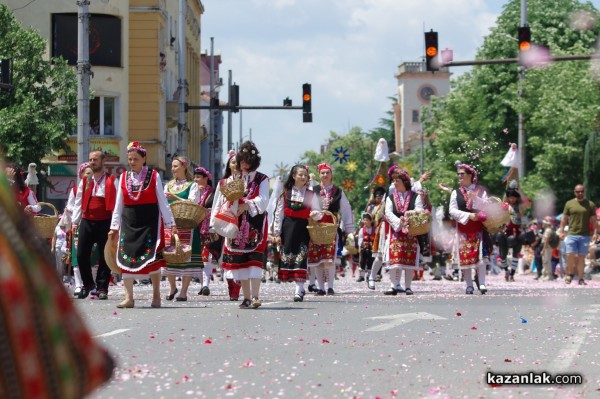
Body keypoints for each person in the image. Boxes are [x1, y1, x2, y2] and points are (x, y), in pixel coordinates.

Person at [109, 141, 177, 308]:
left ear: (144, 158)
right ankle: (129, 298)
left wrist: (170, 223)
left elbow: (163, 201)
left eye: (135, 159)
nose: (132, 162)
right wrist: (114, 227)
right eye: (130, 159)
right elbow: (119, 204)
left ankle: (156, 296)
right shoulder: (124, 177)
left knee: (152, 258)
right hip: (129, 221)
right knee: (125, 257)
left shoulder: (154, 176)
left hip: (150, 222)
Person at [210, 141, 269, 309]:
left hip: (255, 224)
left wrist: (248, 205)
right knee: (241, 261)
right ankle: (247, 297)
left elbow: (263, 200)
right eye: (241, 160)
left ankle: (256, 296)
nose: (243, 163)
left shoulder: (261, 179)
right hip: (236, 223)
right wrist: (215, 224)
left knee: (255, 260)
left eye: (247, 160)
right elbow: (221, 202)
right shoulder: (232, 180)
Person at [72, 150, 118, 300]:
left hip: (105, 221)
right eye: (90, 159)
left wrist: (115, 225)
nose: (92, 162)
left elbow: (117, 204)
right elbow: (78, 201)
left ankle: (102, 288)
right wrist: (75, 221)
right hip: (87, 220)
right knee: (81, 254)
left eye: (95, 159)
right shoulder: (85, 180)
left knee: (105, 256)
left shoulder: (112, 179)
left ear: (103, 161)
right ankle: (87, 284)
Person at [272, 165, 322, 302]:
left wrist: (315, 214)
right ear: (293, 176)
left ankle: (299, 289)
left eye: (305, 175)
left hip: (303, 229)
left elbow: (319, 213)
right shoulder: (285, 193)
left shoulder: (311, 194)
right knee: (289, 256)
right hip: (287, 229)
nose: (303, 177)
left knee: (302, 258)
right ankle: (298, 287)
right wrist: (277, 232)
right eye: (300, 175)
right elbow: (279, 214)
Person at [308, 163, 354, 296]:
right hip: (316, 226)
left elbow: (346, 209)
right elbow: (309, 206)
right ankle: (321, 288)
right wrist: (312, 215)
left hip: (331, 226)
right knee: (317, 258)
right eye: (322, 173)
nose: (325, 175)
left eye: (327, 172)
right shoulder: (313, 189)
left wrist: (349, 229)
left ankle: (330, 287)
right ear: (319, 175)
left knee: (329, 258)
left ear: (331, 175)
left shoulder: (338, 192)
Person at [449, 163, 491, 295]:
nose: (459, 176)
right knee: (465, 257)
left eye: (462, 174)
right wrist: (468, 215)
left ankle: (482, 282)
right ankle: (469, 285)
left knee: (481, 257)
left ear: (470, 176)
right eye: (458, 174)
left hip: (479, 228)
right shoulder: (455, 192)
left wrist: (476, 199)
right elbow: (452, 210)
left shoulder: (481, 190)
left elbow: (488, 206)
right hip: (463, 228)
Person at [163, 156, 201, 302]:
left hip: (187, 224)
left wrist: (174, 197)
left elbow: (193, 202)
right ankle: (172, 287)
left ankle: (184, 291)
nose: (173, 169)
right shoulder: (168, 185)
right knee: (168, 255)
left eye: (176, 166)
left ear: (184, 167)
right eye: (172, 166)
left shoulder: (193, 185)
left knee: (187, 256)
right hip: (170, 224)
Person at [382, 166, 424, 296]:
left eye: (397, 181)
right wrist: (399, 222)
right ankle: (393, 285)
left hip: (411, 231)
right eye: (394, 180)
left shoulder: (415, 196)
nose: (394, 183)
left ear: (404, 182)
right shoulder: (390, 197)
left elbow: (420, 210)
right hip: (396, 231)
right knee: (395, 258)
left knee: (409, 259)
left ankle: (408, 287)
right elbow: (387, 212)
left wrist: (409, 217)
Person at [558, 184, 597, 285]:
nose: (580, 193)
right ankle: (569, 274)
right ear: (574, 192)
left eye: (582, 191)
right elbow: (564, 218)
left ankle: (580, 278)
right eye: (578, 191)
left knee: (581, 257)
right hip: (571, 234)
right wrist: (561, 231)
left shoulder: (590, 204)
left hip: (584, 235)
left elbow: (594, 220)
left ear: (584, 192)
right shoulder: (569, 203)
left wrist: (596, 232)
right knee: (569, 254)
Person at [192, 166, 216, 296]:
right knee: (198, 258)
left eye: (198, 177)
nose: (196, 180)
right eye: (194, 177)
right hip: (195, 227)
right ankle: (203, 284)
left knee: (206, 257)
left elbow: (216, 208)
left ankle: (206, 284)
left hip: (207, 229)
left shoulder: (213, 193)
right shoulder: (194, 191)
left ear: (206, 178)